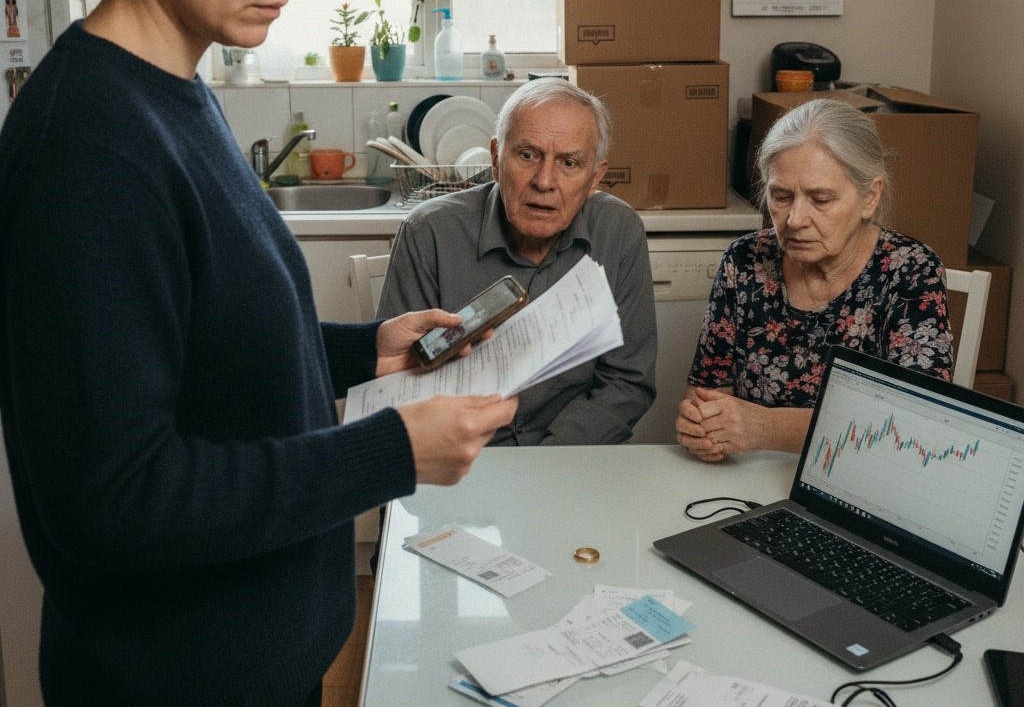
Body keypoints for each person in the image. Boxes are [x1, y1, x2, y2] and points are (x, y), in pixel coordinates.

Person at [0, 0, 516, 707]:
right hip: (174, 696)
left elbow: (197, 338)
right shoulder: (89, 145)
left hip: (251, 665)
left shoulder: (174, 91)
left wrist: (367, 348)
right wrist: (387, 453)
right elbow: (116, 494)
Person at [378, 77, 657, 445]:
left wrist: (548, 460)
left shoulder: (619, 232)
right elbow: (398, 386)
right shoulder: (428, 233)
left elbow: (627, 382)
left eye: (569, 163)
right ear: (495, 158)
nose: (544, 181)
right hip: (460, 458)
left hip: (574, 459)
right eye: (527, 155)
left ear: (595, 178)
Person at [677, 97, 952, 461]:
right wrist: (701, 428)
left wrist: (766, 427)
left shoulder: (912, 271)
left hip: (860, 479)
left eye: (820, 199)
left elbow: (916, 419)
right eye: (781, 196)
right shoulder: (744, 262)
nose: (794, 220)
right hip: (749, 478)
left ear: (869, 197)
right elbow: (708, 394)